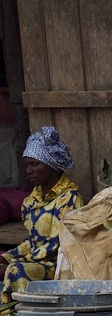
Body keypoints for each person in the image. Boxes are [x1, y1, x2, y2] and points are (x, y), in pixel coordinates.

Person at [1, 126, 81, 305]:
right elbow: (32, 242)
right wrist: (6, 257)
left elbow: (58, 244)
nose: (29, 170)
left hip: (60, 266)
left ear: (51, 165)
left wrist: (16, 263)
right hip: (35, 261)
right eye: (27, 165)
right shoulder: (31, 201)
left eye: (34, 164)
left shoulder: (70, 199)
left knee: (16, 270)